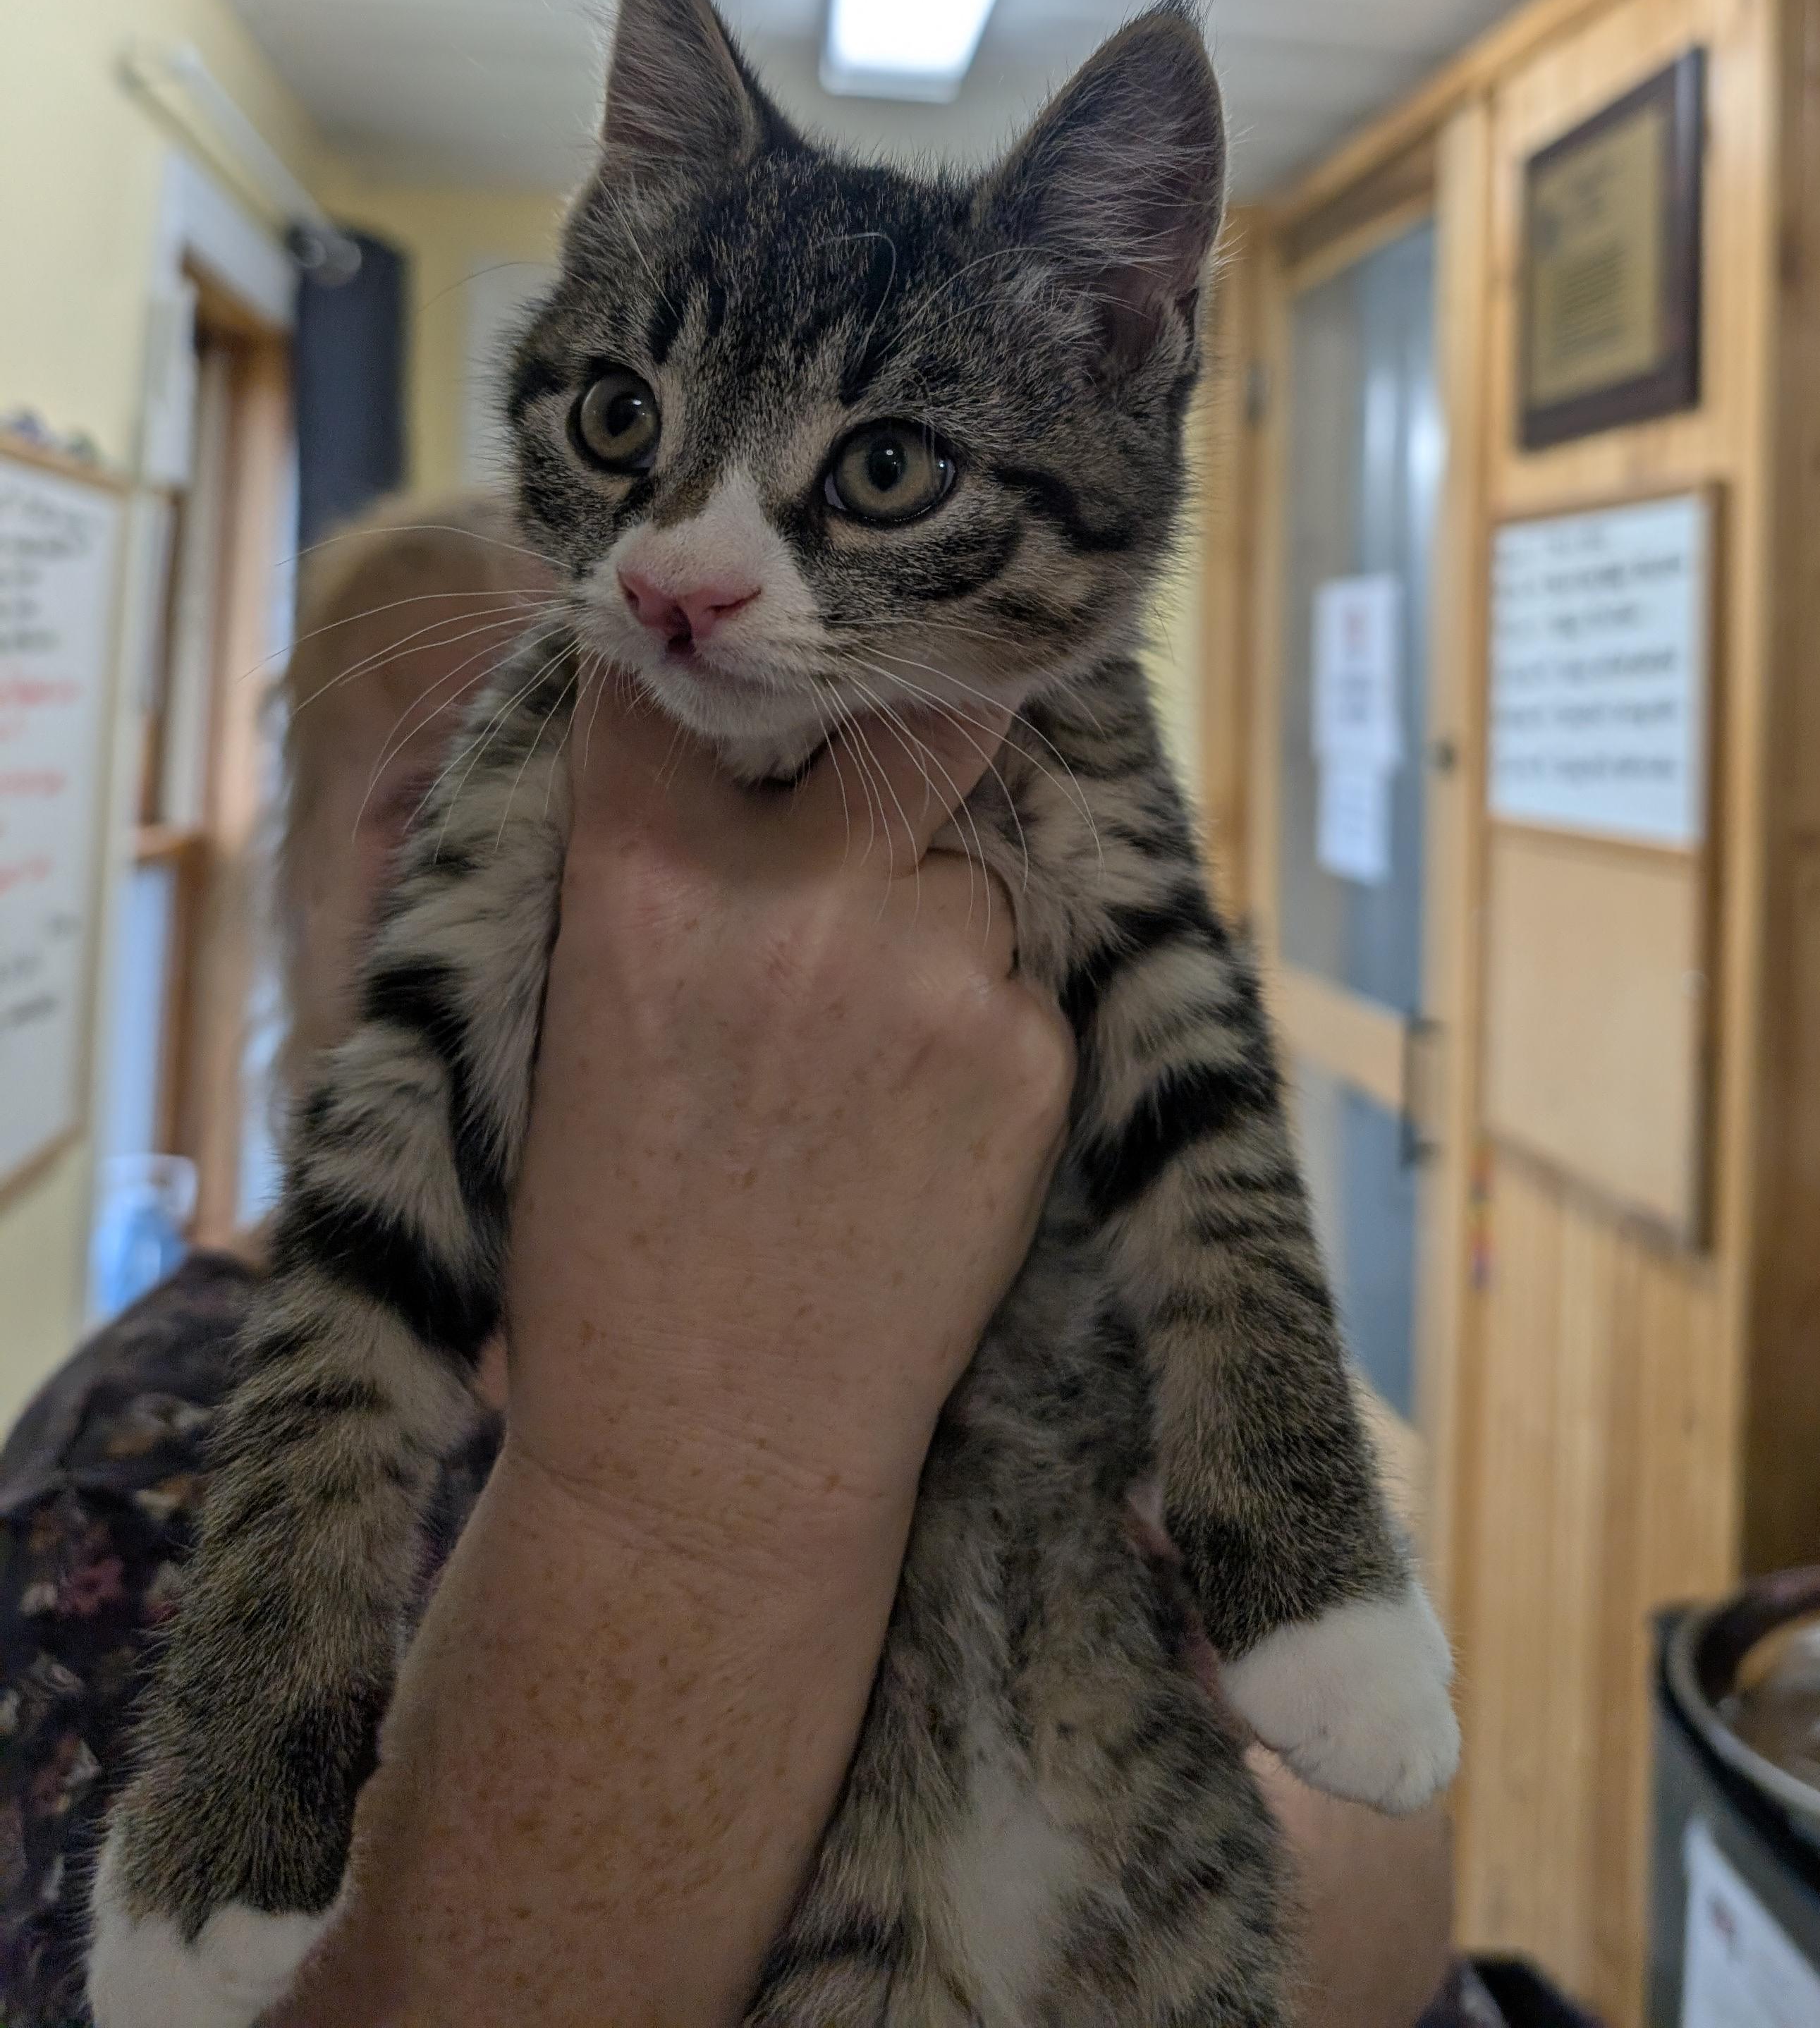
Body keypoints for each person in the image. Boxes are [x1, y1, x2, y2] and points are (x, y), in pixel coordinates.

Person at [1, 491, 1458, 2027]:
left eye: (745, 782)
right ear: (295, 882)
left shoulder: (1071, 1263)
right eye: (459, 790)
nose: (629, 888)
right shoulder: (121, 1480)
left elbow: (1389, 1856)